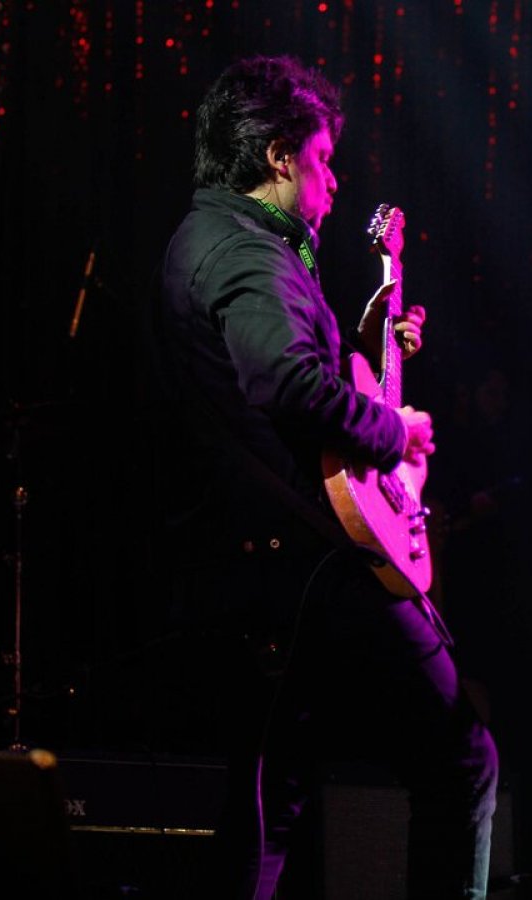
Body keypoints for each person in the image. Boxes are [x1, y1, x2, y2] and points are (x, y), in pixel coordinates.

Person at [154, 55, 498, 899]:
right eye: (322, 160)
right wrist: (392, 427)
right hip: (312, 564)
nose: (334, 181)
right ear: (278, 156)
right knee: (461, 756)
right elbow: (286, 385)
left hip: (272, 567)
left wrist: (367, 348)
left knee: (272, 795)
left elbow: (280, 380)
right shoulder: (243, 255)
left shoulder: (221, 241)